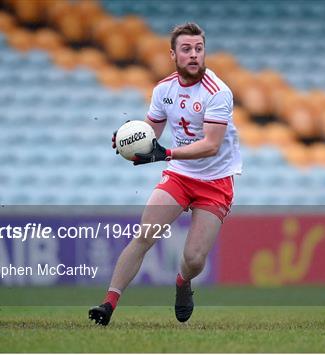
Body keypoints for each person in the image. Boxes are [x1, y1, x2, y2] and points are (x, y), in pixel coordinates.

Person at [89, 22, 242, 326]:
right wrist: (126, 140)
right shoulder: (164, 90)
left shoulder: (218, 92)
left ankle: (183, 282)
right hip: (180, 176)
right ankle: (108, 304)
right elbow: (150, 134)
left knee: (195, 259)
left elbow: (211, 146)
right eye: (186, 49)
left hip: (215, 181)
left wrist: (167, 153)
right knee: (145, 234)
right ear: (173, 55)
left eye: (199, 48)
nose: (194, 55)